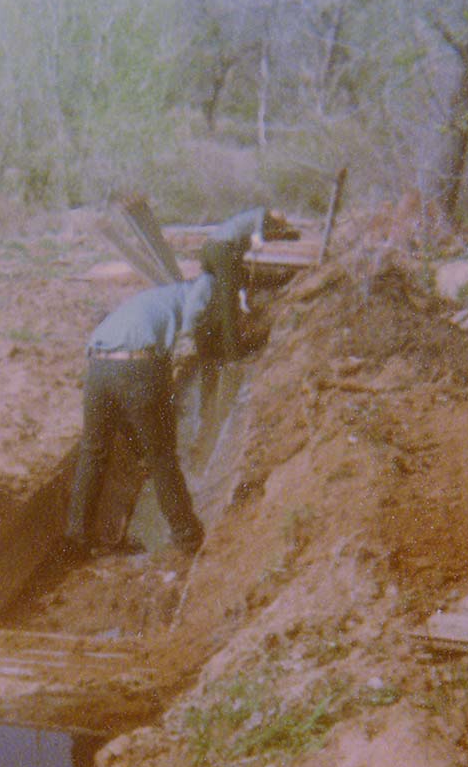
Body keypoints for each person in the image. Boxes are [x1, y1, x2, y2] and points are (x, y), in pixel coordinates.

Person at [64, 274, 213, 560]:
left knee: (93, 453)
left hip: (98, 368)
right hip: (137, 368)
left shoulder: (153, 298)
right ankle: (188, 536)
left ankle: (77, 539)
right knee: (162, 457)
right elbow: (195, 318)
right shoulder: (204, 286)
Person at [196, 207, 297, 361]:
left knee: (216, 299)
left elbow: (237, 267)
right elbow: (257, 236)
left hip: (208, 249)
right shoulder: (261, 216)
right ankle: (234, 354)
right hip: (221, 250)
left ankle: (212, 346)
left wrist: (243, 293)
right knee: (228, 302)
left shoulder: (246, 223)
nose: (275, 235)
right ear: (273, 222)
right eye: (277, 230)